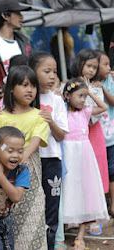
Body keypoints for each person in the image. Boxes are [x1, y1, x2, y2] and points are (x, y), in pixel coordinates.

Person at [0, 65, 49, 250]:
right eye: (24, 85)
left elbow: (35, 141)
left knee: (33, 217)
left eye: (33, 86)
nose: (30, 90)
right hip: (1, 172)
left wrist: (20, 158)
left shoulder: (40, 115)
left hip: (28, 169)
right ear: (11, 88)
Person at [61, 78, 109, 250]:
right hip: (68, 156)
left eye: (84, 96)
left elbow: (103, 107)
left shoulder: (86, 112)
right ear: (67, 95)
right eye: (80, 96)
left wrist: (89, 92)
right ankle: (63, 231)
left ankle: (80, 235)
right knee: (68, 192)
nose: (83, 99)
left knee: (83, 193)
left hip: (84, 158)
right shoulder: (62, 112)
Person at [28, 51, 68, 250]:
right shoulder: (26, 98)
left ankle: (49, 246)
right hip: (29, 160)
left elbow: (61, 136)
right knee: (30, 208)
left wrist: (50, 121)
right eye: (47, 71)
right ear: (33, 72)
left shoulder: (57, 101)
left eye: (55, 71)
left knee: (51, 209)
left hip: (52, 160)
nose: (52, 76)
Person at [70, 50, 109, 205]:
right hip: (74, 132)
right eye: (88, 66)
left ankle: (95, 209)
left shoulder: (96, 87)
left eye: (94, 67)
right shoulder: (70, 84)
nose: (91, 70)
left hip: (93, 131)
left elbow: (95, 116)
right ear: (80, 64)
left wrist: (89, 90)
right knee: (78, 171)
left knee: (96, 168)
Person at [98, 50, 114, 217]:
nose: (109, 68)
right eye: (105, 64)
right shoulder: (90, 84)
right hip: (98, 136)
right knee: (102, 170)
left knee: (113, 170)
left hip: (111, 134)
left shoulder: (110, 81)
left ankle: (113, 205)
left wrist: (103, 88)